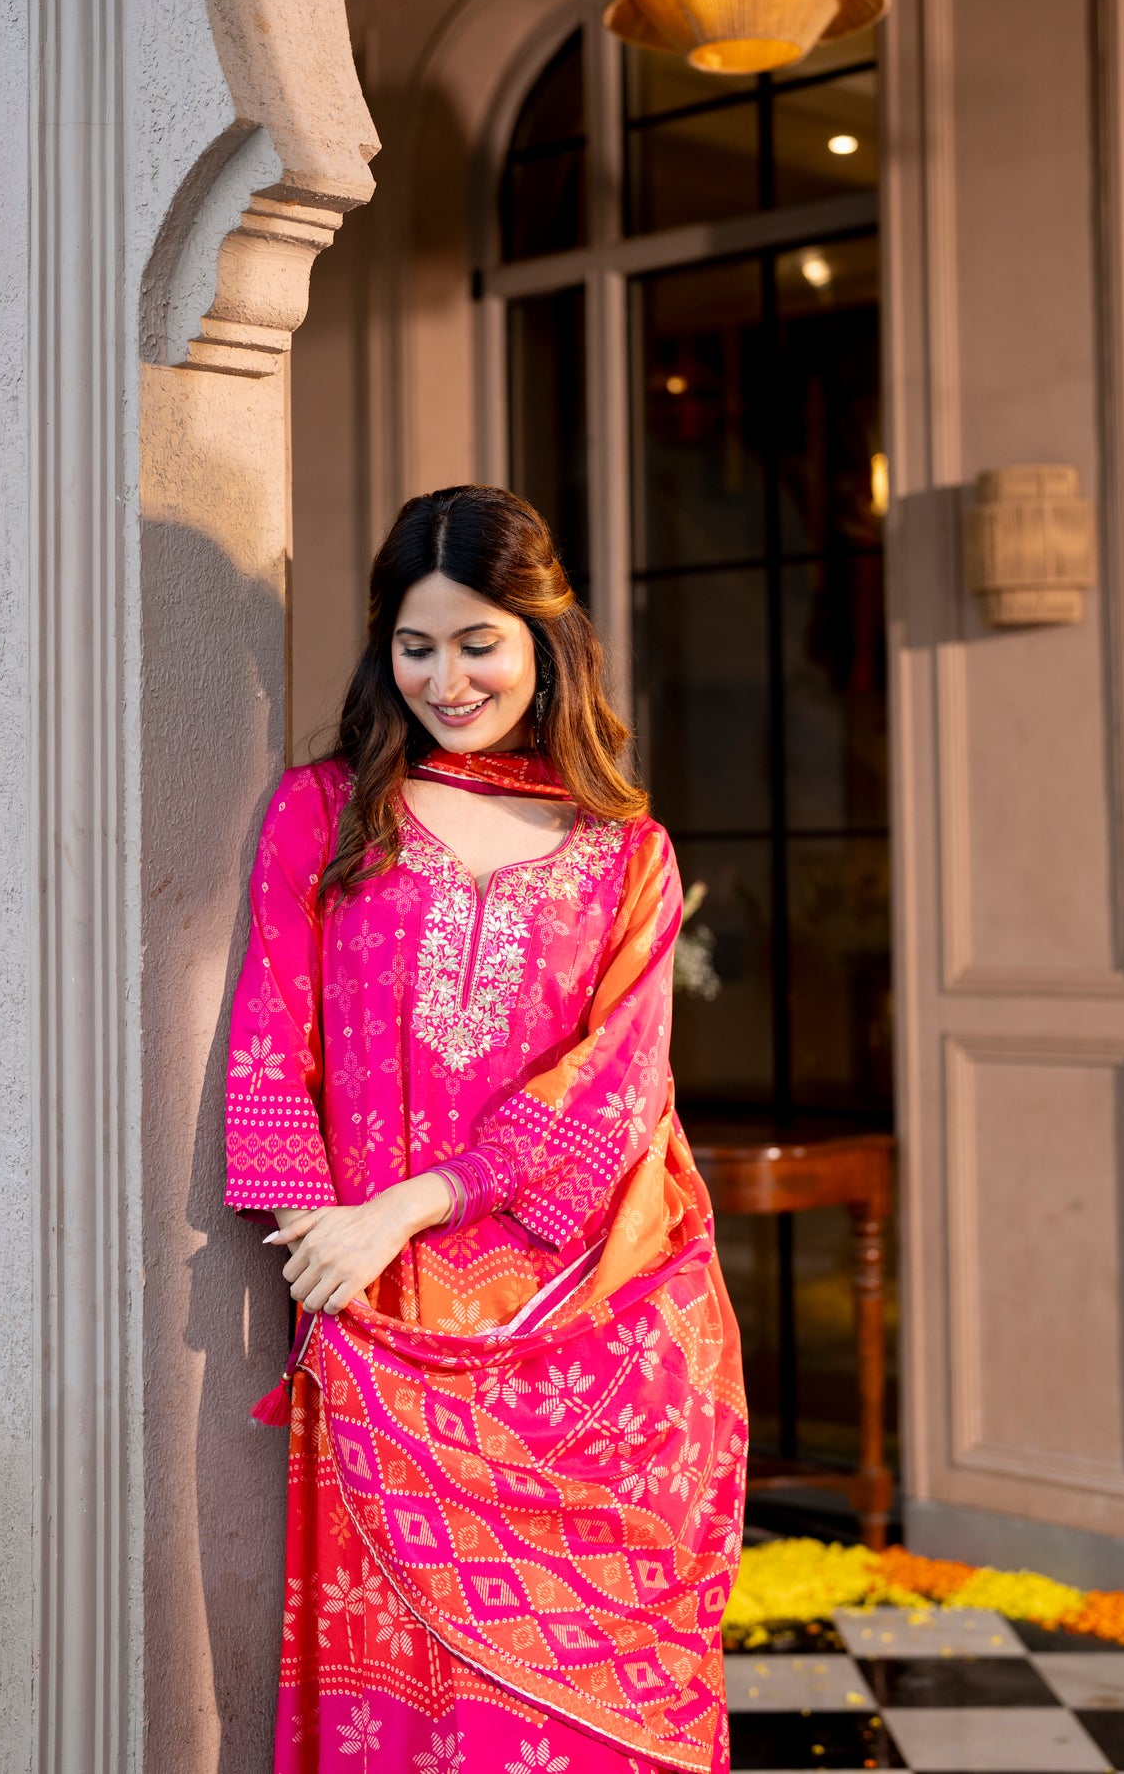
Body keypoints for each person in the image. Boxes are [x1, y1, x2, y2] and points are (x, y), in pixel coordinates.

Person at [225, 484, 747, 1774]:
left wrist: (399, 1208)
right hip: (376, 1311)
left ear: (542, 640)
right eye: (415, 645)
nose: (447, 679)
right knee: (396, 1688)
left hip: (583, 1321)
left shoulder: (627, 852)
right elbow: (266, 1036)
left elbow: (618, 1089)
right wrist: (320, 1243)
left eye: (479, 642)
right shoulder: (326, 812)